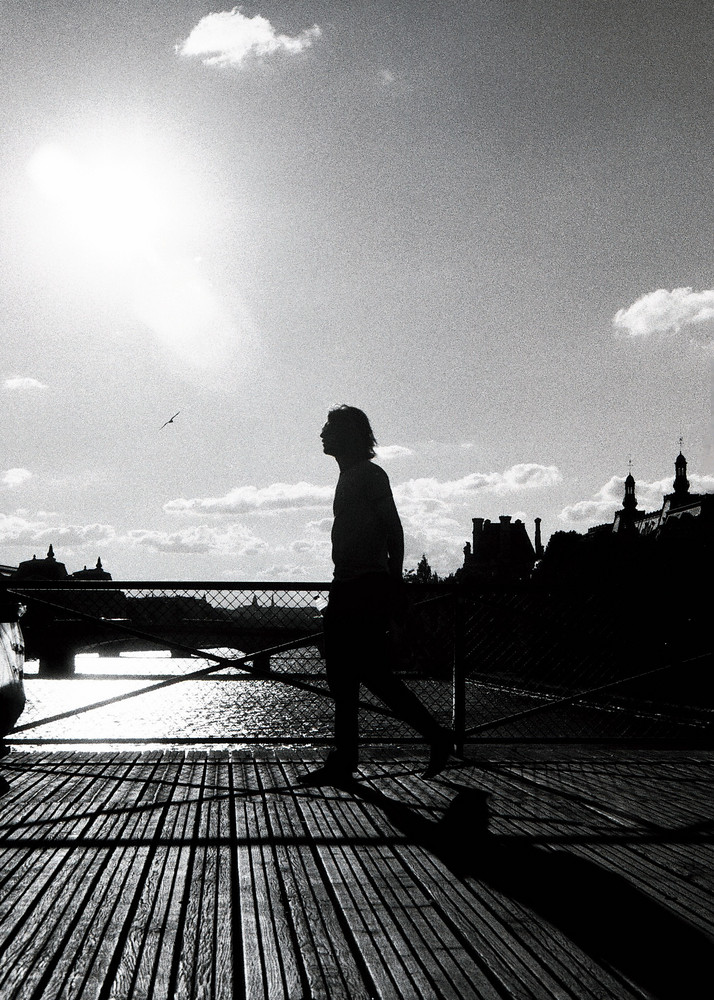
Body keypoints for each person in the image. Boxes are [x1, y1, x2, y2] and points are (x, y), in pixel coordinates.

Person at [299, 405, 454, 786]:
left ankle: (420, 739)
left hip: (363, 586)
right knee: (353, 674)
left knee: (358, 673)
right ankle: (359, 753)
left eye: (330, 428)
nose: (321, 433)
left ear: (349, 435)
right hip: (352, 584)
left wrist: (393, 580)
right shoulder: (354, 475)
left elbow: (393, 528)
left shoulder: (368, 475)